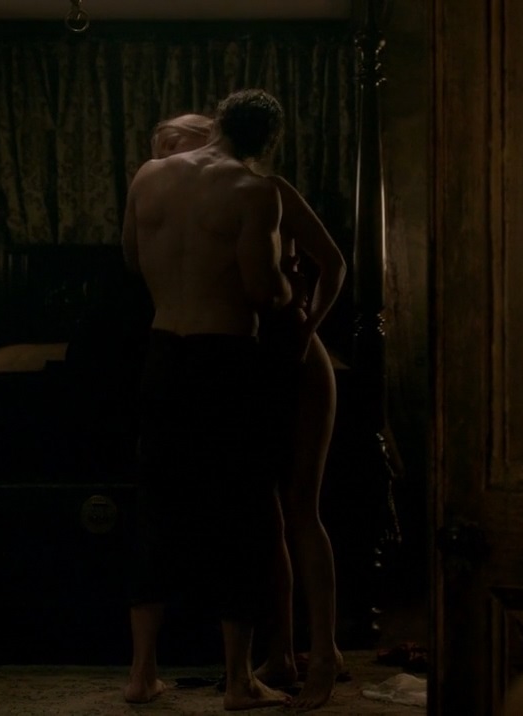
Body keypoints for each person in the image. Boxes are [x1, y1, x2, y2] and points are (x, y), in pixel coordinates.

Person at [153, 111, 348, 710]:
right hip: (248, 359)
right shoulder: (193, 195)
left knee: (301, 509)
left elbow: (333, 262)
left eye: (185, 142)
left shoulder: (269, 189)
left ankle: (325, 655)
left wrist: (306, 328)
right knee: (262, 514)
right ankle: (280, 653)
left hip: (294, 355)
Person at [122, 89, 293, 711]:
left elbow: (132, 258)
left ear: (217, 122)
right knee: (239, 514)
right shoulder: (255, 190)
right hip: (225, 359)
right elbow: (261, 290)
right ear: (268, 141)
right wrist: (286, 285)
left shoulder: (150, 174)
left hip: (164, 352)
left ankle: (142, 673)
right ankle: (240, 680)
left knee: (156, 509)